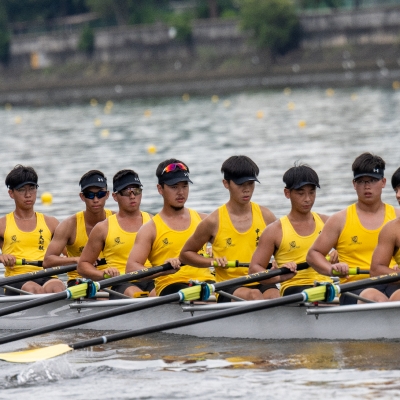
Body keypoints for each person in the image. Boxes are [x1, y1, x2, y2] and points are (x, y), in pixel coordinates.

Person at [180, 155, 281, 302]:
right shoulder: (213, 221)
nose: (246, 189)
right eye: (240, 184)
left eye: (250, 183)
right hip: (229, 285)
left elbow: (282, 250)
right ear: (226, 183)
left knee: (275, 296)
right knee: (254, 296)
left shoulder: (266, 216)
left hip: (262, 279)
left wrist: (280, 261)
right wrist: (212, 262)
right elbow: (186, 254)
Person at [307, 152, 400, 305]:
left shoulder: (397, 217)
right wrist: (332, 269)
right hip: (355, 286)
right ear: (354, 184)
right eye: (361, 181)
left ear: (383, 182)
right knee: (375, 298)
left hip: (392, 281)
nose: (367, 186)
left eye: (372, 180)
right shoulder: (340, 220)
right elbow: (313, 254)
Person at [126, 159, 215, 296]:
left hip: (208, 283)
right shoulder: (150, 229)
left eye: (184, 186)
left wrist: (217, 252)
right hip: (171, 286)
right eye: (174, 187)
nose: (181, 192)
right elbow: (131, 269)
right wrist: (162, 270)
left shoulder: (204, 220)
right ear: (160, 189)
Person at [249, 164, 336, 296]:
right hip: (294, 287)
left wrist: (340, 255)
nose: (307, 199)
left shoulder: (327, 223)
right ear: (287, 193)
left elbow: (353, 251)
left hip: (327, 286)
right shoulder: (274, 231)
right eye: (301, 193)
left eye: (312, 192)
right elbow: (254, 269)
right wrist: (278, 277)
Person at [77, 169, 154, 297]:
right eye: (126, 192)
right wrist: (103, 274)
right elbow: (83, 265)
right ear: (114, 196)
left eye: (136, 190)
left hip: (151, 277)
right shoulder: (103, 228)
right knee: (135, 294)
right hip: (120, 281)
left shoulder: (153, 221)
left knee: (158, 293)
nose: (132, 196)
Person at [0, 165, 65, 295]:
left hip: (48, 275)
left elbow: (71, 254)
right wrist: (2, 257)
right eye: (21, 190)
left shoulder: (51, 223)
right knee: (33, 289)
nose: (28, 194)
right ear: (11, 193)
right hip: (17, 279)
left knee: (57, 288)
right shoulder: (2, 224)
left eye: (32, 188)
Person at [43, 170, 113, 287]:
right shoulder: (69, 225)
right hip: (80, 281)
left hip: (112, 278)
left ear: (107, 195)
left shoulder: (116, 220)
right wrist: (76, 260)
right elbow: (47, 261)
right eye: (90, 195)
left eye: (100, 194)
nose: (95, 199)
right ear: (82, 196)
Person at [369, 166, 400, 301]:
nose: (398, 195)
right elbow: (376, 270)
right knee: (368, 294)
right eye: (396, 190)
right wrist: (394, 273)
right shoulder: (392, 229)